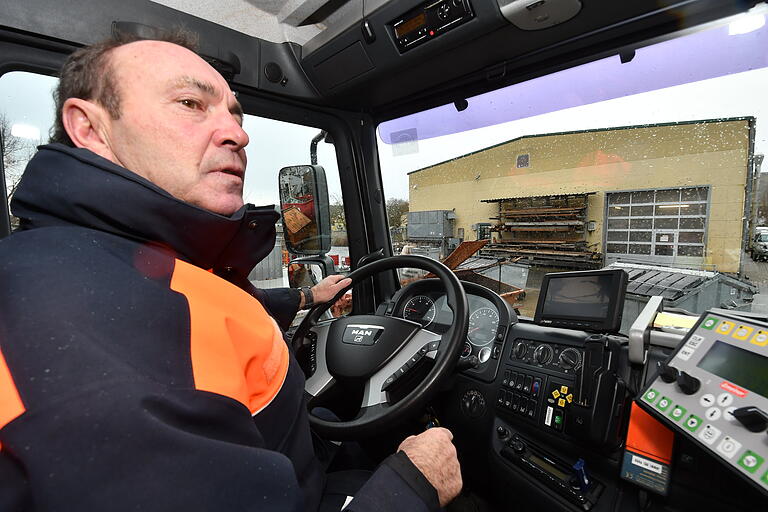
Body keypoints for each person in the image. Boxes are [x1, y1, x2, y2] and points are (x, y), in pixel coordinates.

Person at [0, 31, 462, 511]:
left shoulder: (120, 262)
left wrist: (307, 298)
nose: (237, 134)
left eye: (234, 115)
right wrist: (414, 485)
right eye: (190, 103)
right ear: (91, 128)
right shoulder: (78, 315)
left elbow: (206, 313)